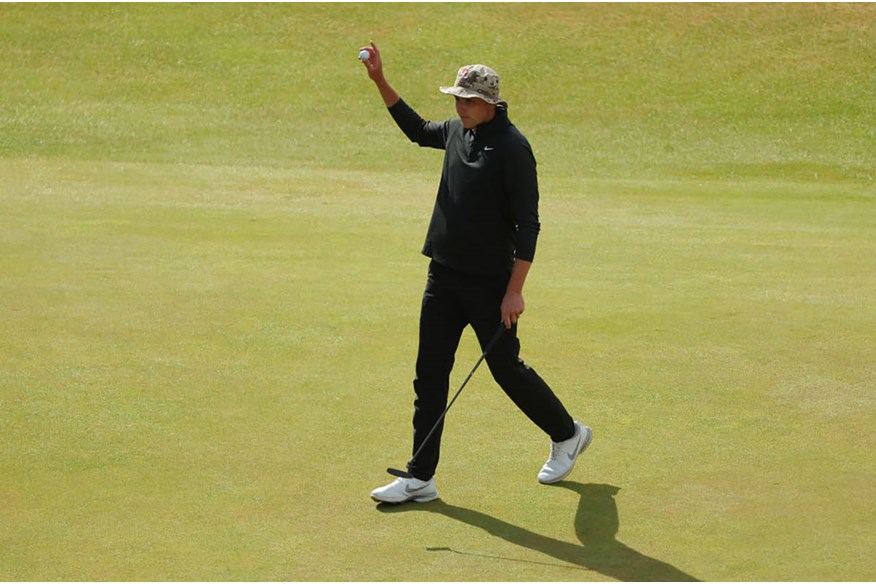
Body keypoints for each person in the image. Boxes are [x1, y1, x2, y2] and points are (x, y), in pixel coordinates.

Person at [361, 42, 591, 504]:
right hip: (443, 277)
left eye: (466, 101)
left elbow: (530, 225)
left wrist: (515, 292)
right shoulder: (455, 131)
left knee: (506, 369)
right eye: (456, 99)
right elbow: (416, 129)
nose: (458, 107)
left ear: (489, 103)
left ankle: (568, 434)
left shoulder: (513, 148)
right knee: (429, 375)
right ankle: (420, 476)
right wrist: (380, 82)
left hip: (491, 285)